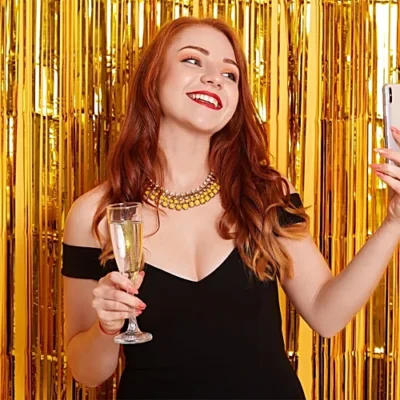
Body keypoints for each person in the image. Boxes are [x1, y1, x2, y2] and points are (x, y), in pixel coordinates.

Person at [61, 16, 400, 400]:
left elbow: (327, 314)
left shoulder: (266, 193)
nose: (214, 79)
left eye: (230, 74)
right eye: (193, 60)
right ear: (152, 78)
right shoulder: (95, 215)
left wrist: (393, 222)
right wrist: (107, 328)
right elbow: (87, 372)